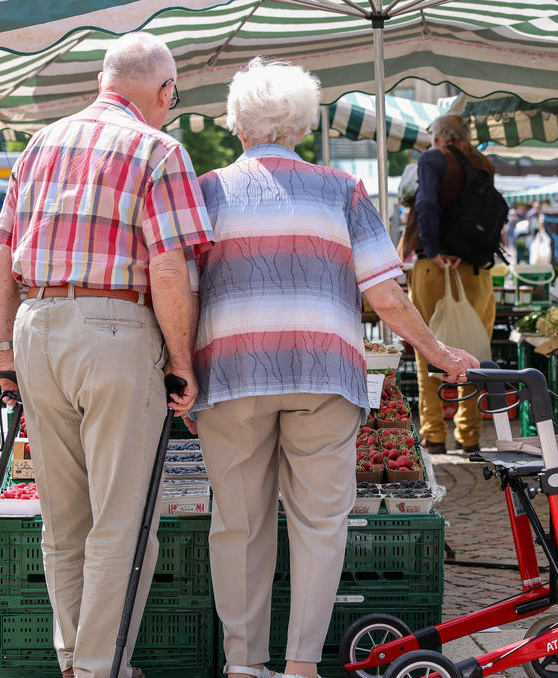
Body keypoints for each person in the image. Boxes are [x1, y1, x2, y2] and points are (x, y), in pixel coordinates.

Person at [188, 58, 478, 678]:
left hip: (233, 373)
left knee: (238, 524)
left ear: (238, 125)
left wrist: (181, 374)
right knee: (321, 525)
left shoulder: (206, 191)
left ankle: (243, 666)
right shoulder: (341, 191)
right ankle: (299, 668)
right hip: (325, 374)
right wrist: (441, 355)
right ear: (300, 125)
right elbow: (386, 295)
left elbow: (180, 291)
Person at [0, 32, 213, 678]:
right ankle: (97, 668)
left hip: (36, 325)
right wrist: (183, 361)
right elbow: (168, 268)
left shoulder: (40, 144)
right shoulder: (158, 149)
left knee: (63, 518)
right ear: (164, 91)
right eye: (174, 94)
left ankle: (77, 660)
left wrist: (2, 354)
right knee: (124, 519)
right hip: (114, 326)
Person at [400, 114, 497, 454]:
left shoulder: (432, 158)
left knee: (428, 351)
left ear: (438, 137)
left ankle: (434, 435)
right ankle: (469, 437)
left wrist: (436, 248)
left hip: (432, 267)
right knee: (472, 354)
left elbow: (425, 204)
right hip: (475, 271)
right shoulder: (484, 162)